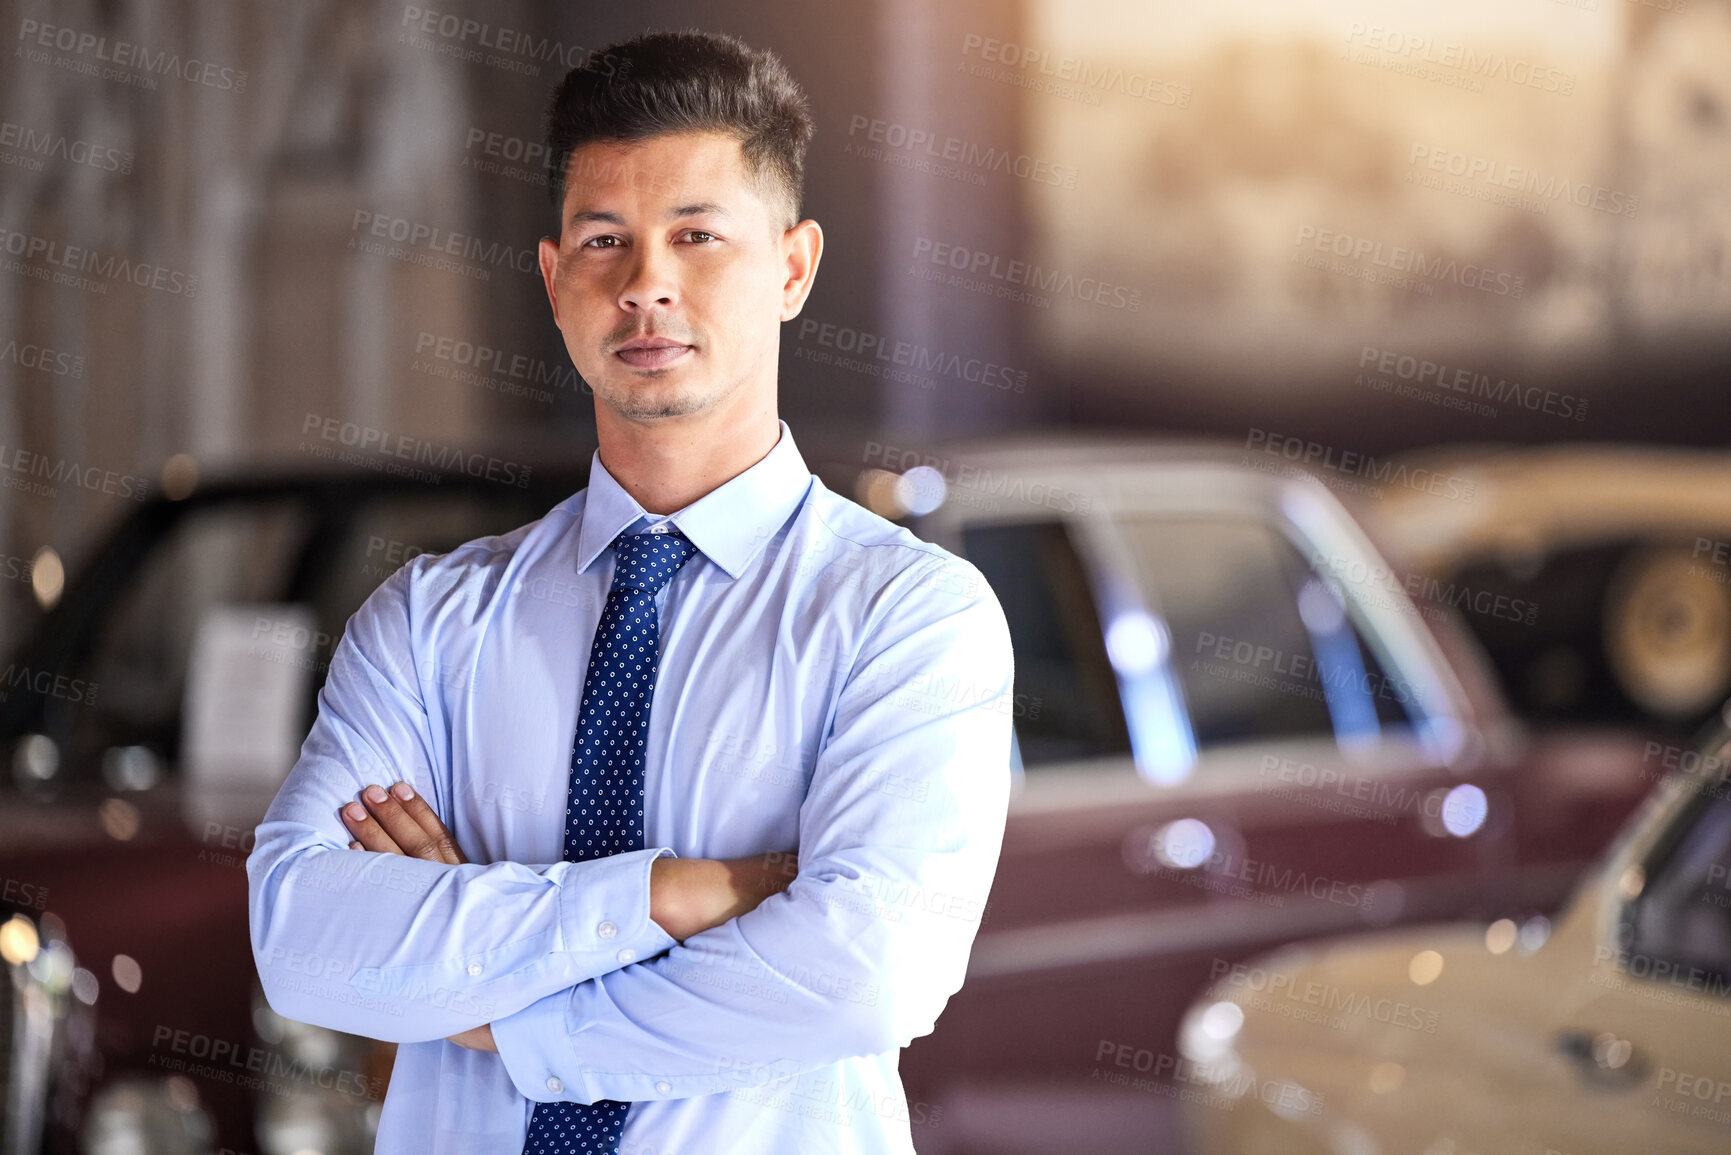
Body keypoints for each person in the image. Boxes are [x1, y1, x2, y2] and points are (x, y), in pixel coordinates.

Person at [246, 29, 1013, 1155]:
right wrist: (678, 895)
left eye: (697, 236)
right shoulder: (430, 619)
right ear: (556, 283)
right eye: (605, 240)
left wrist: (494, 1009)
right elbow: (303, 939)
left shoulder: (908, 618)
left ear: (793, 268)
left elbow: (862, 976)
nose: (646, 281)